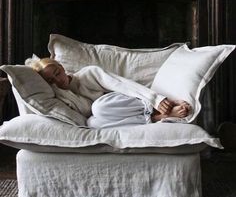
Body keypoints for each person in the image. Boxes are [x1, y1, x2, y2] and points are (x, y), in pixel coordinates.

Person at [26, 57, 191, 128]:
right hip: (107, 116)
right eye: (51, 81)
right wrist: (60, 91)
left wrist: (157, 99)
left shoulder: (88, 74)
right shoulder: (62, 96)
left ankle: (158, 108)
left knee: (98, 107)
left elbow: (122, 84)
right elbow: (84, 112)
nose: (58, 80)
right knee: (92, 123)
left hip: (125, 101)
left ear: (61, 68)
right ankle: (156, 118)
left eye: (57, 73)